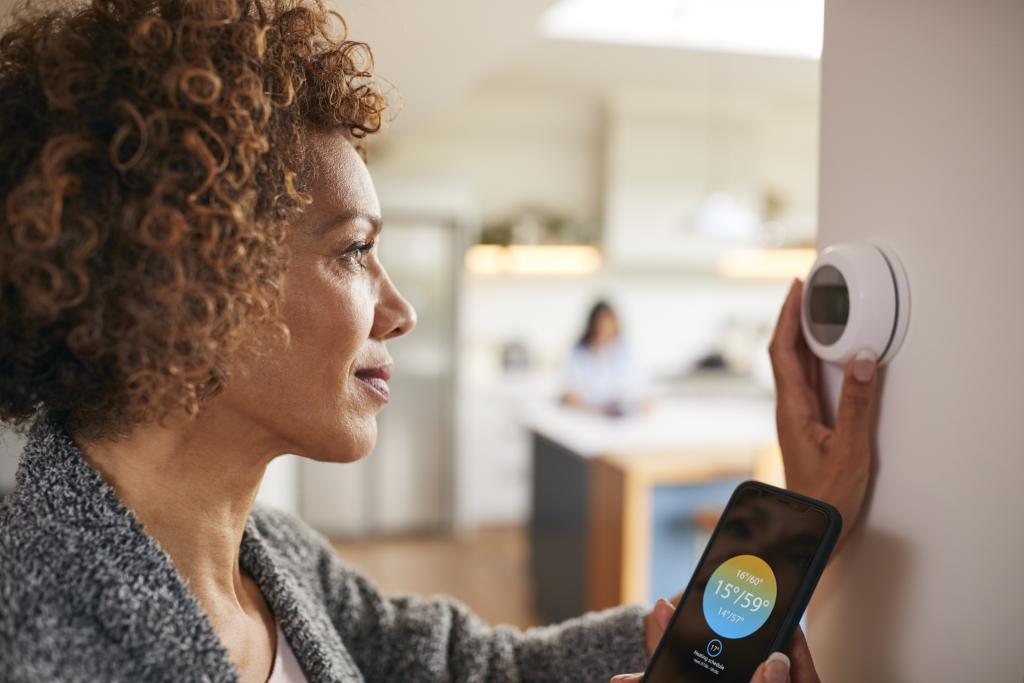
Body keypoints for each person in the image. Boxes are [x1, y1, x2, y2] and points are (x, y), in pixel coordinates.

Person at [0, 1, 879, 682]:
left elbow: (484, 670)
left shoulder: (276, 561)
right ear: (187, 277)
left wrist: (781, 542)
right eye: (353, 251)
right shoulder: (33, 637)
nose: (400, 309)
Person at [561, 300, 647, 416]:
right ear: (592, 326)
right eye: (600, 325)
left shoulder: (624, 350)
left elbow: (635, 386)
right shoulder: (579, 352)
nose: (604, 330)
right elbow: (570, 393)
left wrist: (638, 403)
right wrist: (595, 408)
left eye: (608, 325)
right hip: (587, 415)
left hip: (617, 415)